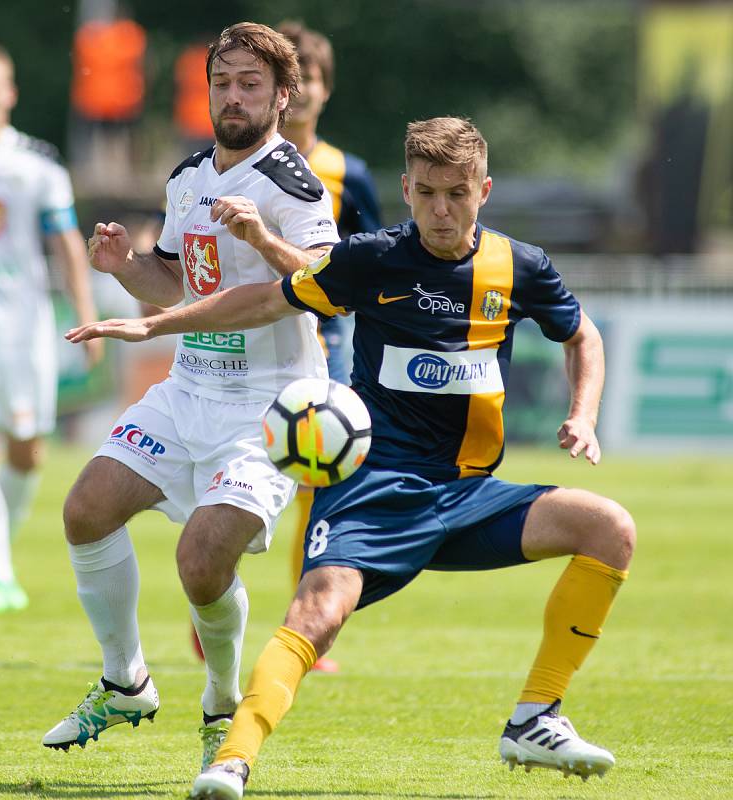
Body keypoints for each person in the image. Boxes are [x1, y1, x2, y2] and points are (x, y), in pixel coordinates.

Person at [65, 116, 636, 799]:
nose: (441, 210)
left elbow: (582, 335)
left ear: (484, 189)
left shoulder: (521, 266)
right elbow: (262, 301)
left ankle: (535, 718)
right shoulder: (373, 258)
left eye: (457, 193)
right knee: (317, 615)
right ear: (406, 189)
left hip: (467, 494)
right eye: (426, 193)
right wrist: (155, 323)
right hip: (374, 488)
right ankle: (230, 760)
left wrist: (583, 415)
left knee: (609, 527)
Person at [41, 22, 339, 775]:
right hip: (189, 391)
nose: (233, 97)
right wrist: (125, 267)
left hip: (269, 405)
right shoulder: (187, 177)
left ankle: (219, 705)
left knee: (201, 559)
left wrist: (265, 243)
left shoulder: (291, 182)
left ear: (283, 94)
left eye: (250, 84)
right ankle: (125, 680)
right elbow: (180, 283)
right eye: (222, 82)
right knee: (85, 511)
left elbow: (319, 286)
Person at [0, 42, 102, 614]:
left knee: (27, 452)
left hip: (25, 327)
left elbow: (67, 246)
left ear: (10, 94)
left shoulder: (38, 166)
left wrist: (88, 316)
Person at [277, 21, 382, 672]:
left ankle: (302, 625)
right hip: (252, 335)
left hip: (330, 338)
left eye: (311, 77)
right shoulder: (234, 163)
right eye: (293, 80)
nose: (304, 90)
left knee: (320, 481)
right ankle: (214, 599)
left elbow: (378, 264)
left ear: (325, 88)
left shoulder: (349, 173)